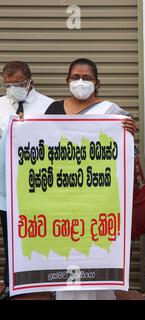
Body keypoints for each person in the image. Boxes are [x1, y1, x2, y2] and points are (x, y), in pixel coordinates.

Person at [45, 58, 136, 300]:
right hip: (61, 197)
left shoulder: (112, 112)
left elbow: (122, 154)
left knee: (95, 253)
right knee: (67, 253)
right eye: (75, 77)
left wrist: (128, 132)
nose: (80, 82)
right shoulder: (53, 109)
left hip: (97, 200)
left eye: (87, 78)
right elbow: (40, 148)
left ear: (97, 83)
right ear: (67, 80)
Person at [0, 61, 54, 300]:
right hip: (4, 186)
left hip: (39, 186)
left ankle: (47, 286)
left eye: (18, 84)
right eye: (7, 85)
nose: (13, 89)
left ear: (30, 81)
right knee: (10, 235)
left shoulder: (50, 105)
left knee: (41, 233)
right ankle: (11, 285)